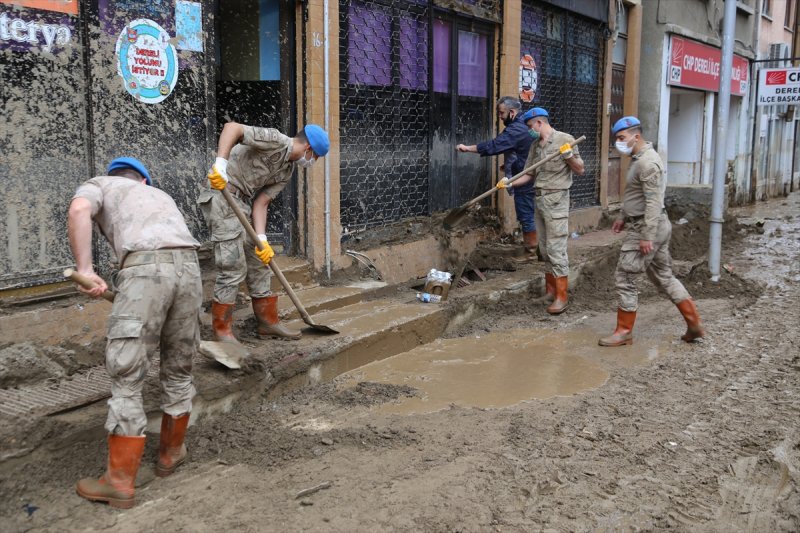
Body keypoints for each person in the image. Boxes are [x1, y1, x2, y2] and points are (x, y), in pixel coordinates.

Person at [68, 157, 203, 509]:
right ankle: (171, 454)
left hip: (144, 268)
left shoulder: (99, 185)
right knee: (179, 366)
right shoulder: (159, 195)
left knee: (127, 374)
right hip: (190, 269)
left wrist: (85, 268)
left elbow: (79, 209)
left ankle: (119, 482)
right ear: (143, 180)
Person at [199, 122, 330, 343]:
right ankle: (222, 331)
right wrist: (220, 164)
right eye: (315, 157)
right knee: (233, 266)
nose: (312, 162)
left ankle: (267, 323)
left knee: (260, 260)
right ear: (308, 148)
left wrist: (262, 239)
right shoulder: (275, 139)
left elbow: (262, 202)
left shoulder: (286, 171)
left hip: (242, 204)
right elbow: (232, 128)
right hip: (221, 196)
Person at [599, 117, 704, 346]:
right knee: (664, 277)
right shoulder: (638, 159)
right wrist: (622, 217)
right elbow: (636, 195)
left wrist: (646, 236)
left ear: (636, 136)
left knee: (625, 277)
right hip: (646, 224)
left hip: (647, 228)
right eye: (617, 138)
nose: (618, 142)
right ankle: (694, 325)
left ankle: (624, 331)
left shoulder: (648, 163)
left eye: (621, 138)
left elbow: (653, 202)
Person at [505, 107, 584, 314]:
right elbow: (529, 174)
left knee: (556, 249)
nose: (529, 130)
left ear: (539, 123)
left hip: (557, 199)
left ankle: (561, 297)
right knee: (545, 248)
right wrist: (510, 183)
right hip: (539, 199)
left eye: (530, 126)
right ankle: (550, 291)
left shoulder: (565, 139)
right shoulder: (535, 146)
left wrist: (568, 156)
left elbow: (580, 169)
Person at [456, 96, 537, 255]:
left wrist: (468, 148)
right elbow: (526, 151)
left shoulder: (516, 129)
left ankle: (531, 252)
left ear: (512, 112)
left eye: (501, 113)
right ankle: (538, 249)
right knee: (533, 213)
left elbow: (495, 146)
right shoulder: (524, 123)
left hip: (526, 180)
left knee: (526, 214)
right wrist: (509, 166)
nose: (500, 117)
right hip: (530, 174)